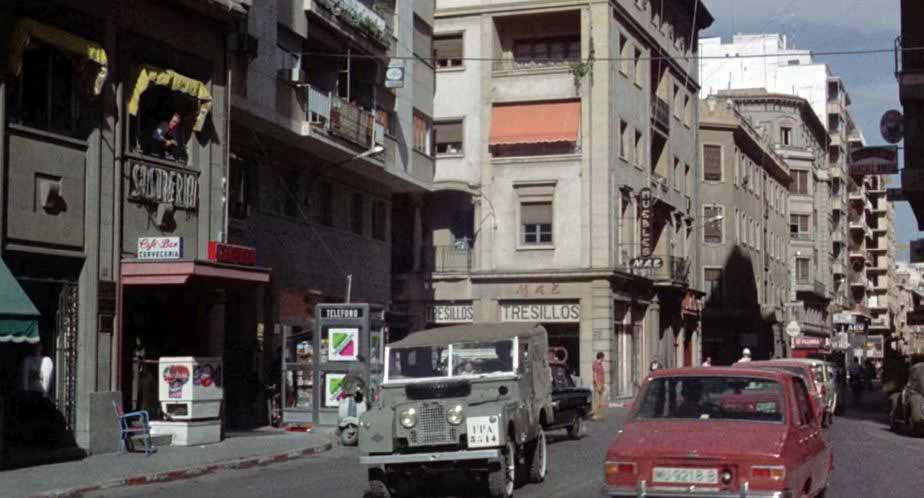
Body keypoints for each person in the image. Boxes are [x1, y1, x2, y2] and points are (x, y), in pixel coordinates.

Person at [592, 352, 606, 420]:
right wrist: (597, 385)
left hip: (601, 383)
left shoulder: (600, 364)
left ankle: (598, 414)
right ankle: (595, 415)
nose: (603, 359)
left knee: (600, 400)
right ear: (601, 357)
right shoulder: (595, 364)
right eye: (603, 357)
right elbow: (594, 375)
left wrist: (603, 384)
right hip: (598, 383)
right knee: (597, 400)